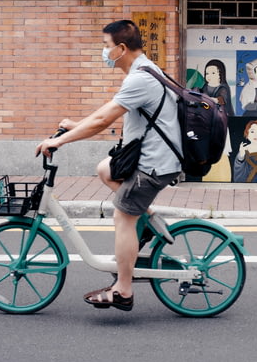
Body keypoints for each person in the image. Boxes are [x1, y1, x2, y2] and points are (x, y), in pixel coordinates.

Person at [34, 20, 182, 312]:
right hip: (154, 158)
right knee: (106, 169)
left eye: (106, 46)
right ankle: (147, 218)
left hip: (153, 166)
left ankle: (123, 291)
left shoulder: (140, 78)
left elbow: (103, 120)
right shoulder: (144, 70)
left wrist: (59, 142)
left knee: (122, 217)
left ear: (121, 48)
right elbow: (106, 114)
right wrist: (77, 126)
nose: (104, 51)